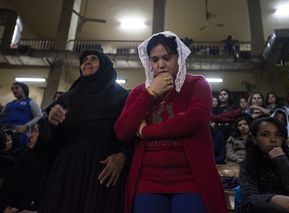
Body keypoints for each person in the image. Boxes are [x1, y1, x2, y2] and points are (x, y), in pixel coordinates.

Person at [114, 31, 227, 213]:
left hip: (191, 177)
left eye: (167, 58)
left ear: (179, 58)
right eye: (155, 59)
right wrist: (150, 93)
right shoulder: (139, 92)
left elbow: (193, 120)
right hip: (148, 178)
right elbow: (122, 131)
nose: (161, 65)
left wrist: (145, 132)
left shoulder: (197, 84)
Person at [40, 49, 132, 213]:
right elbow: (49, 143)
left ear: (104, 66)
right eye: (84, 60)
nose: (87, 62)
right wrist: (53, 123)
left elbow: (131, 134)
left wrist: (124, 155)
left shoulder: (122, 98)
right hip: (68, 173)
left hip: (104, 173)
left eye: (93, 59)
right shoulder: (67, 98)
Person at [240, 117, 289, 213]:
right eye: (266, 135)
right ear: (254, 139)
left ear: (283, 138)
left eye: (278, 135)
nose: (273, 140)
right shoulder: (248, 165)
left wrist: (281, 161)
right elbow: (249, 198)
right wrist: (272, 198)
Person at [0, 119, 52, 213]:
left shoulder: (53, 164)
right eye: (32, 131)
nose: (31, 136)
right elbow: (8, 186)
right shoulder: (24, 156)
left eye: (36, 131)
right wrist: (4, 207)